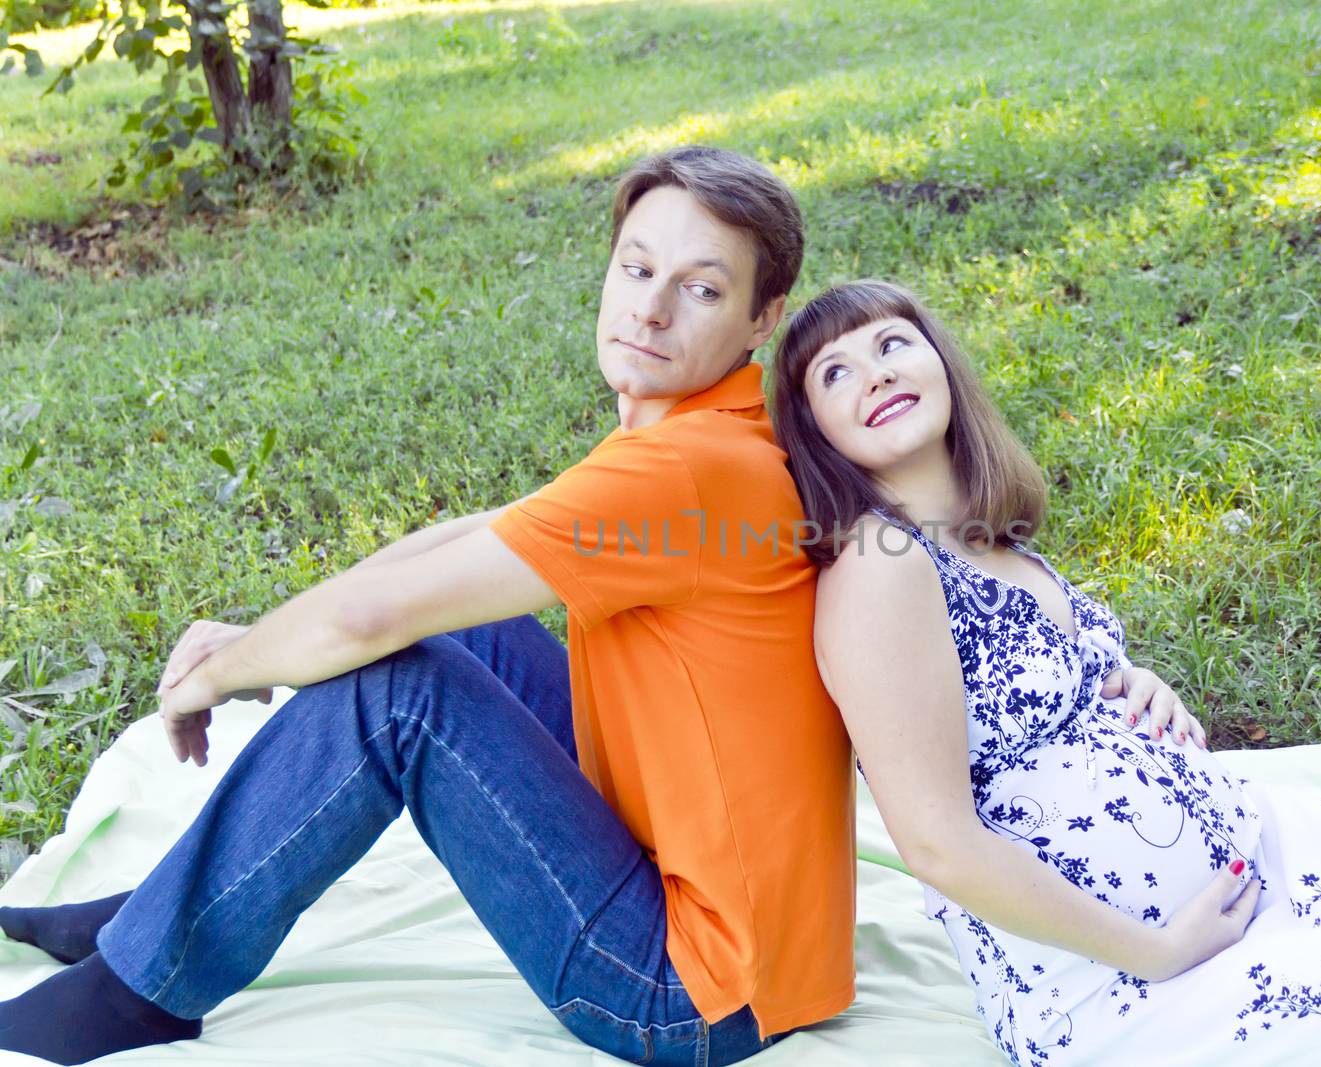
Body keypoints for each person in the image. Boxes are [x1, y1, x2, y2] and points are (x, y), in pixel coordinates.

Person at [0, 146, 856, 1067]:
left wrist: (214, 674)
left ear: (763, 317)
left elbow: (367, 626)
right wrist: (258, 635)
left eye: (701, 290)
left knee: (401, 689)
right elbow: (460, 543)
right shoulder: (704, 433)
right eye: (637, 268)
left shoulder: (684, 470)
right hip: (755, 938)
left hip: (689, 993)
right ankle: (155, 912)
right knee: (470, 620)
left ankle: (142, 988)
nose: (648, 308)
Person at [769, 278, 1321, 1066]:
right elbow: (936, 843)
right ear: (815, 429)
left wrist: (1131, 678)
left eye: (891, 343)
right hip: (1116, 968)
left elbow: (1035, 687)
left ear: (940, 362)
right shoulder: (880, 570)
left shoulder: (987, 536)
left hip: (1243, 849)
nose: (873, 372)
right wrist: (1159, 950)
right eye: (835, 372)